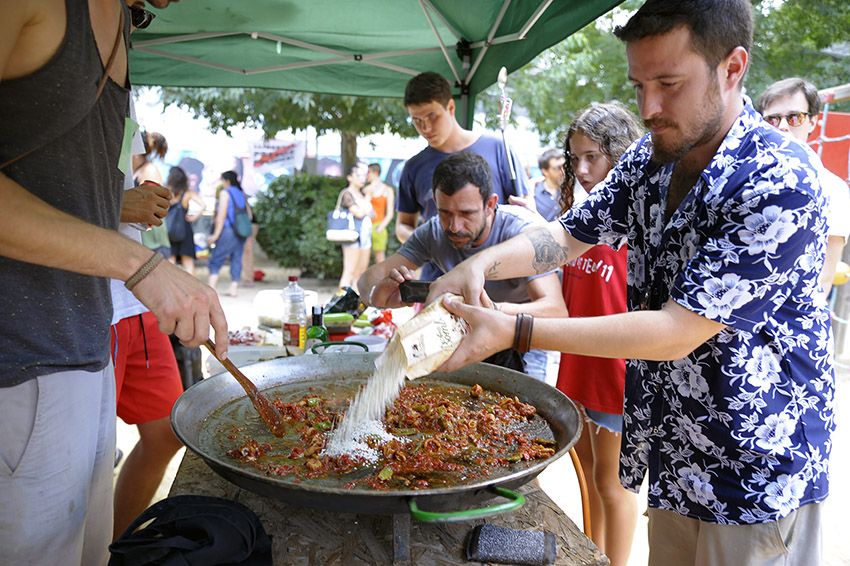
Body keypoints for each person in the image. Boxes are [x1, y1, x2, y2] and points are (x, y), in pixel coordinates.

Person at [428, 1, 832, 564]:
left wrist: (513, 330)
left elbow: (676, 330)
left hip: (755, 475)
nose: (649, 107)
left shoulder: (779, 180)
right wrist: (478, 266)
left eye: (668, 83)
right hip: (677, 459)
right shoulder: (653, 155)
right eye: (639, 85)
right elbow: (569, 236)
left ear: (733, 68)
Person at [0, 1, 227, 564]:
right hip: (16, 362)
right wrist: (141, 263)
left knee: (91, 551)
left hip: (86, 344)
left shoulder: (126, 18)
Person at [359, 152, 565, 379]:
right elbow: (367, 280)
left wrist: (492, 311)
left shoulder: (522, 231)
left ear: (490, 204)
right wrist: (378, 296)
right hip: (466, 334)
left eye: (466, 213)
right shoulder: (434, 231)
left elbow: (555, 312)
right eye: (445, 213)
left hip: (526, 342)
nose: (454, 226)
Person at [556, 102, 643, 566]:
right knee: (588, 476)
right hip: (578, 369)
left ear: (621, 153)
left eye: (592, 156)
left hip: (617, 376)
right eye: (575, 158)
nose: (582, 169)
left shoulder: (640, 221)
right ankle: (594, 556)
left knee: (615, 485)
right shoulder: (580, 215)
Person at [111, 116, 184, 540]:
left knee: (166, 434)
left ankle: (116, 545)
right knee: (86, 460)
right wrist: (117, 204)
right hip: (81, 303)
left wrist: (145, 201)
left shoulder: (125, 78)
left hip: (134, 300)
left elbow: (122, 168)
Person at [396, 71, 532, 280]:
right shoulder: (413, 167)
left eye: (432, 116)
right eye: (417, 120)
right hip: (439, 281)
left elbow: (526, 213)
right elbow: (403, 224)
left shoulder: (499, 149)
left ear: (451, 107)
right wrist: (429, 242)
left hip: (499, 280)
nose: (426, 128)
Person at [756, 77, 850, 297]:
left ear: (812, 122)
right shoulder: (739, 178)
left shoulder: (833, 190)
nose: (783, 127)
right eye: (773, 119)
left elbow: (824, 279)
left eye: (794, 117)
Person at [209, 171, 253, 297]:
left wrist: (215, 235)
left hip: (229, 230)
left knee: (216, 258)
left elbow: (221, 216)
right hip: (241, 231)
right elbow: (249, 215)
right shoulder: (241, 193)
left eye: (222, 180)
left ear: (226, 181)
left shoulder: (225, 193)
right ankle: (233, 289)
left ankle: (211, 288)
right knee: (236, 258)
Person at [134, 131, 172, 258]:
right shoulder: (139, 170)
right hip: (146, 242)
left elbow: (155, 208)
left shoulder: (149, 171)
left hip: (153, 244)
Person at [337, 162, 373, 291]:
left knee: (361, 272)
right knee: (349, 271)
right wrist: (367, 202)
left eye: (363, 175)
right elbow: (359, 213)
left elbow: (372, 214)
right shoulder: (347, 194)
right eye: (358, 175)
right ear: (349, 177)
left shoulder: (362, 194)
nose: (362, 178)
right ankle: (340, 304)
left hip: (365, 235)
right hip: (352, 236)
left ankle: (354, 304)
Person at [167, 166, 206, 274]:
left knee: (171, 260)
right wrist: (194, 217)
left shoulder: (167, 192)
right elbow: (203, 205)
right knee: (188, 261)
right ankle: (193, 288)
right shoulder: (187, 193)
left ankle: (172, 287)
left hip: (169, 229)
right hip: (185, 229)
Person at [364, 162, 394, 264]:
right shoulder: (366, 189)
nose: (366, 175)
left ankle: (381, 279)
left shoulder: (388, 190)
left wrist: (381, 227)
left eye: (368, 172)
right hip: (365, 225)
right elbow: (364, 208)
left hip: (379, 225)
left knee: (380, 257)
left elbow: (390, 213)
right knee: (364, 257)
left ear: (375, 173)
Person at [531, 148, 566, 221]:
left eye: (564, 166)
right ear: (545, 171)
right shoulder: (533, 194)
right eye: (558, 168)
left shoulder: (570, 191)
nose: (563, 171)